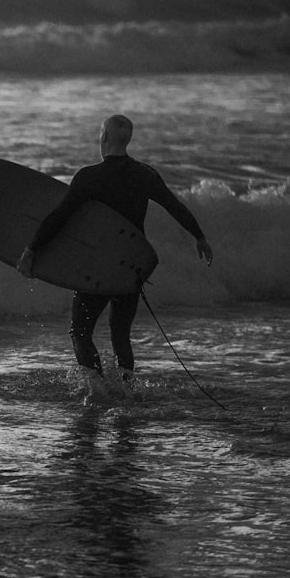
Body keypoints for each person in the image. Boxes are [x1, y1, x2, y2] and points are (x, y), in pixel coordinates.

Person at [16, 114, 212, 383]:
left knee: (80, 332)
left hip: (96, 266)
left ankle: (97, 386)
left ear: (105, 137)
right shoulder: (146, 175)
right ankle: (126, 389)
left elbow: (59, 217)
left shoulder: (89, 177)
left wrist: (31, 250)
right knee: (120, 334)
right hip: (130, 266)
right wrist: (199, 236)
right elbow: (174, 206)